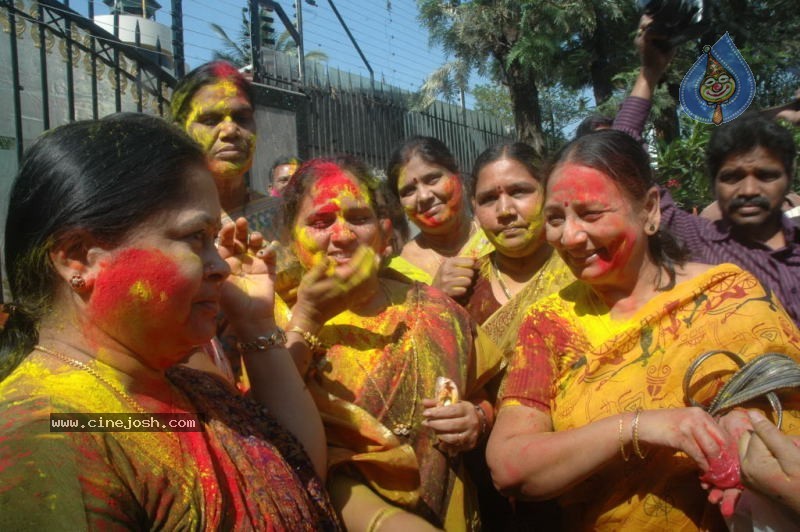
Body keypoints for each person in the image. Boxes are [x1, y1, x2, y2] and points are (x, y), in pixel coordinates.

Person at [0, 115, 340, 529]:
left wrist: (254, 322)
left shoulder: (179, 387)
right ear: (78, 257)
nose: (221, 266)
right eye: (195, 237)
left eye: (213, 239)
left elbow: (297, 473)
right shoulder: (49, 438)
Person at [486, 129, 800, 531]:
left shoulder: (730, 296)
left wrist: (744, 428)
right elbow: (509, 468)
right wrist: (638, 426)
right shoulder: (549, 323)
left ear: (650, 209)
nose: (570, 236)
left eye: (590, 214)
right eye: (555, 219)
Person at [281, 155, 504, 531]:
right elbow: (265, 428)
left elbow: (483, 396)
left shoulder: (437, 309)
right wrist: (305, 322)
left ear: (385, 235)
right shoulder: (269, 324)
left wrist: (477, 419)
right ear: (291, 240)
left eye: (358, 218)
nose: (343, 235)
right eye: (321, 222)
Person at [613, 17, 800, 328]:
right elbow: (620, 157)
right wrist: (649, 72)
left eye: (766, 175)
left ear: (789, 177)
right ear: (713, 183)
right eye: (732, 177)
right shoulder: (698, 241)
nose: (749, 190)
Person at [464, 142, 574, 349]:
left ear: (547, 191)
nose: (505, 211)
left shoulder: (581, 272)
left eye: (519, 192)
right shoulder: (465, 287)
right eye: (488, 199)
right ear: (474, 207)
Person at [385, 136, 492, 290]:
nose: (424, 196)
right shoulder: (397, 274)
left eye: (432, 179)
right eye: (409, 191)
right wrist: (436, 296)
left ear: (457, 174)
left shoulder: (495, 236)